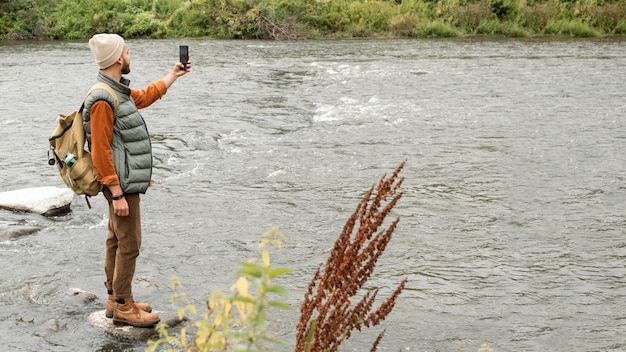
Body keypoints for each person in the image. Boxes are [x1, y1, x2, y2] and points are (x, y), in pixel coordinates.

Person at [84, 33, 191, 328]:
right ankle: (123, 307)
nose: (130, 57)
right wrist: (117, 193)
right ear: (118, 59)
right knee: (130, 243)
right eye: (128, 52)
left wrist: (173, 75)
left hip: (122, 179)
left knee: (115, 239)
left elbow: (142, 97)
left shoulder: (114, 90)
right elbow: (101, 150)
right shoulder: (103, 99)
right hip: (120, 182)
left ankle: (116, 297)